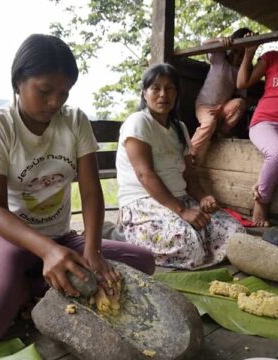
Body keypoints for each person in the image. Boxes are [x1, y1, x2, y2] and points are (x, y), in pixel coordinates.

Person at [0, 34, 155, 346]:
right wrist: (47, 251)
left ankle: (27, 284)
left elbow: (92, 192)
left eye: (64, 93)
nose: (55, 102)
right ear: (18, 82)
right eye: (44, 91)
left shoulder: (74, 121)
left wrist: (93, 250)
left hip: (61, 237)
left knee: (142, 264)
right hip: (5, 237)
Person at [116, 63, 245, 270]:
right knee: (189, 245)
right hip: (144, 202)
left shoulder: (179, 127)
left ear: (176, 94)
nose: (162, 94)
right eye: (155, 88)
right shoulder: (138, 122)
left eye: (169, 88)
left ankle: (199, 241)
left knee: (236, 234)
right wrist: (182, 211)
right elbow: (145, 175)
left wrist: (203, 197)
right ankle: (125, 235)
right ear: (144, 93)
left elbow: (189, 174)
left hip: (180, 199)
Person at [191, 28, 252, 157]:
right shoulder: (219, 59)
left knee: (240, 103)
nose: (237, 57)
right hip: (204, 106)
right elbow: (204, 44)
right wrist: (220, 40)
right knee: (209, 123)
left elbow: (242, 97)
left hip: (221, 110)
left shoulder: (241, 72)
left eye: (241, 55)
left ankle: (221, 134)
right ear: (231, 48)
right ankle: (190, 154)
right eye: (235, 51)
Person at [237, 43, 278, 227]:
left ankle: (261, 186)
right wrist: (249, 53)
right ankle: (261, 201)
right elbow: (242, 83)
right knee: (276, 153)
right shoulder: (271, 57)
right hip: (264, 122)